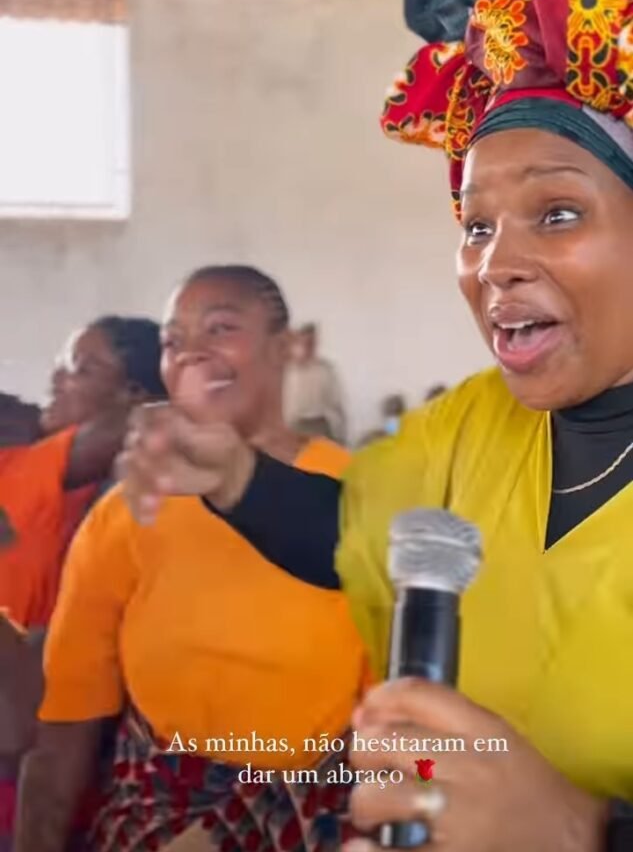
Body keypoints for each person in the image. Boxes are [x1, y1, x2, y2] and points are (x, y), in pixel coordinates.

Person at [71, 0, 633, 851]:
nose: (494, 263)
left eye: (556, 212)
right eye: (475, 226)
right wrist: (235, 476)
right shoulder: (477, 423)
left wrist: (582, 830)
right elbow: (358, 530)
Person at [17, 266, 369, 852]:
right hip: (155, 817)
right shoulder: (127, 510)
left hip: (317, 819)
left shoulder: (356, 498)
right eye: (173, 340)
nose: (191, 354)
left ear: (283, 348)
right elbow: (68, 717)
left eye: (221, 328)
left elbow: (402, 729)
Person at [0, 315, 166, 630]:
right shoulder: (22, 464)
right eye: (61, 365)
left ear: (132, 391)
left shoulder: (46, 467)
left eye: (80, 369)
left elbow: (138, 423)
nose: (55, 379)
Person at [284, 324, 347, 443]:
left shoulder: (325, 370)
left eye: (312, 343)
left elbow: (337, 405)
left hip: (319, 426)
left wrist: (341, 436)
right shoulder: (284, 372)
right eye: (304, 343)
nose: (308, 347)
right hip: (293, 428)